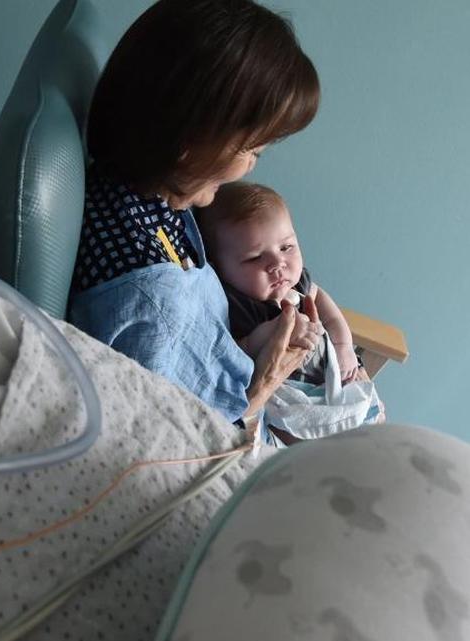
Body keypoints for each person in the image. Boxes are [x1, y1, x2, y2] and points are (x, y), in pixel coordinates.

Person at [67, 0, 322, 422]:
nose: (251, 167)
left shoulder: (140, 196)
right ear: (194, 140)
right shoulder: (151, 299)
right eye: (252, 150)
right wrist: (266, 381)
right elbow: (164, 439)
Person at [196, 181, 361, 385]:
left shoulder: (298, 285)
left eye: (286, 247)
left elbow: (325, 306)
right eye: (255, 258)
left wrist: (343, 345)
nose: (277, 264)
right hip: (279, 390)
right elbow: (229, 355)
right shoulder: (231, 304)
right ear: (218, 268)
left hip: (330, 378)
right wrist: (267, 335)